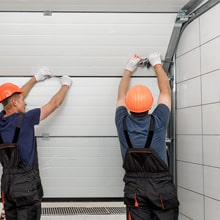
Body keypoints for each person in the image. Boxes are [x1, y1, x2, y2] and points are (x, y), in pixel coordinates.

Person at [0, 68, 72, 220]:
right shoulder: (26, 119)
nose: (25, 102)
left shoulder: (1, 121)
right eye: (21, 101)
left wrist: (35, 79)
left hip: (7, 186)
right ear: (14, 102)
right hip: (25, 185)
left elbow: (14, 101)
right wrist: (65, 84)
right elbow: (55, 103)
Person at [115, 52, 179, 220]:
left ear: (128, 105)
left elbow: (121, 95)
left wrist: (129, 68)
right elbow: (165, 91)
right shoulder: (158, 120)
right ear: (150, 104)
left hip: (134, 187)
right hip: (161, 187)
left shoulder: (121, 122)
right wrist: (156, 63)